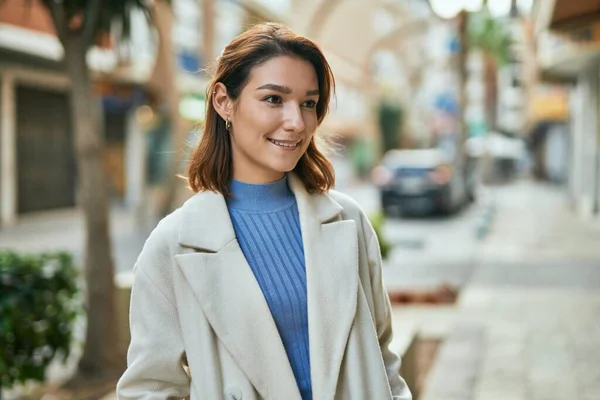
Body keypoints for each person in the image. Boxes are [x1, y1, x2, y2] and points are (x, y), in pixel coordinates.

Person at [117, 22, 412, 400]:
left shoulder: (349, 222)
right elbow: (150, 388)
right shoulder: (173, 244)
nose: (296, 122)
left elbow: (383, 358)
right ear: (224, 101)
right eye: (274, 99)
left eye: (308, 103)